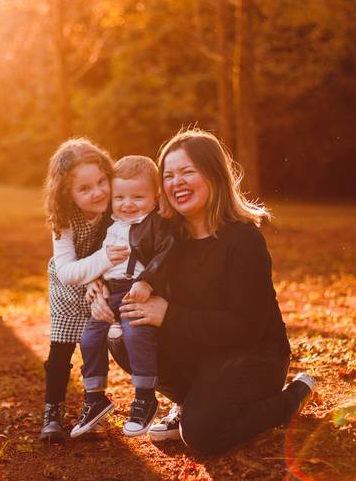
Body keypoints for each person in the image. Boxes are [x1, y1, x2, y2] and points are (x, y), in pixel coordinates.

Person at [88, 128, 315, 454]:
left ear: (213, 174)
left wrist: (168, 314)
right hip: (202, 350)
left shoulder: (242, 240)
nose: (176, 182)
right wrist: (96, 287)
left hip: (254, 356)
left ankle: (290, 400)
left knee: (201, 435)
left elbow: (246, 328)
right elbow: (119, 266)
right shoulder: (167, 236)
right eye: (168, 176)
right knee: (121, 335)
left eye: (187, 171)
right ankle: (187, 401)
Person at [56, 156, 174, 438]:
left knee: (136, 335)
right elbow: (95, 256)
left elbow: (166, 255)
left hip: (137, 290)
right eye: (120, 197)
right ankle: (95, 397)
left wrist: (147, 282)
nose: (127, 204)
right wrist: (94, 280)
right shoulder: (110, 223)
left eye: (138, 197)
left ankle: (145, 398)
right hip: (111, 290)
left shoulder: (156, 224)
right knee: (89, 338)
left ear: (155, 197)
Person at [40, 138, 129, 442]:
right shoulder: (64, 219)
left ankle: (94, 405)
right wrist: (99, 265)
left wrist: (99, 279)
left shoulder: (117, 208)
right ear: (67, 194)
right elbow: (67, 271)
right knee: (61, 347)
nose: (98, 192)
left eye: (102, 181)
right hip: (67, 287)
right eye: (85, 189)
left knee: (95, 343)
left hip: (102, 282)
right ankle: (53, 409)